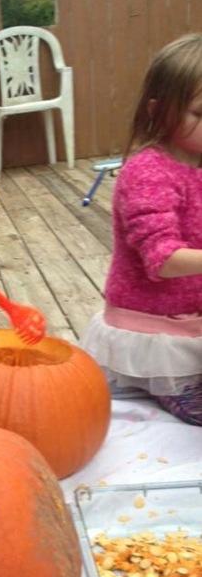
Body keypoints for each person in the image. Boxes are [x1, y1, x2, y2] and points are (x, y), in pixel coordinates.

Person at [82, 33, 202, 425]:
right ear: (158, 110)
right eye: (201, 113)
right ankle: (169, 391)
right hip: (156, 334)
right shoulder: (147, 172)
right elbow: (163, 259)